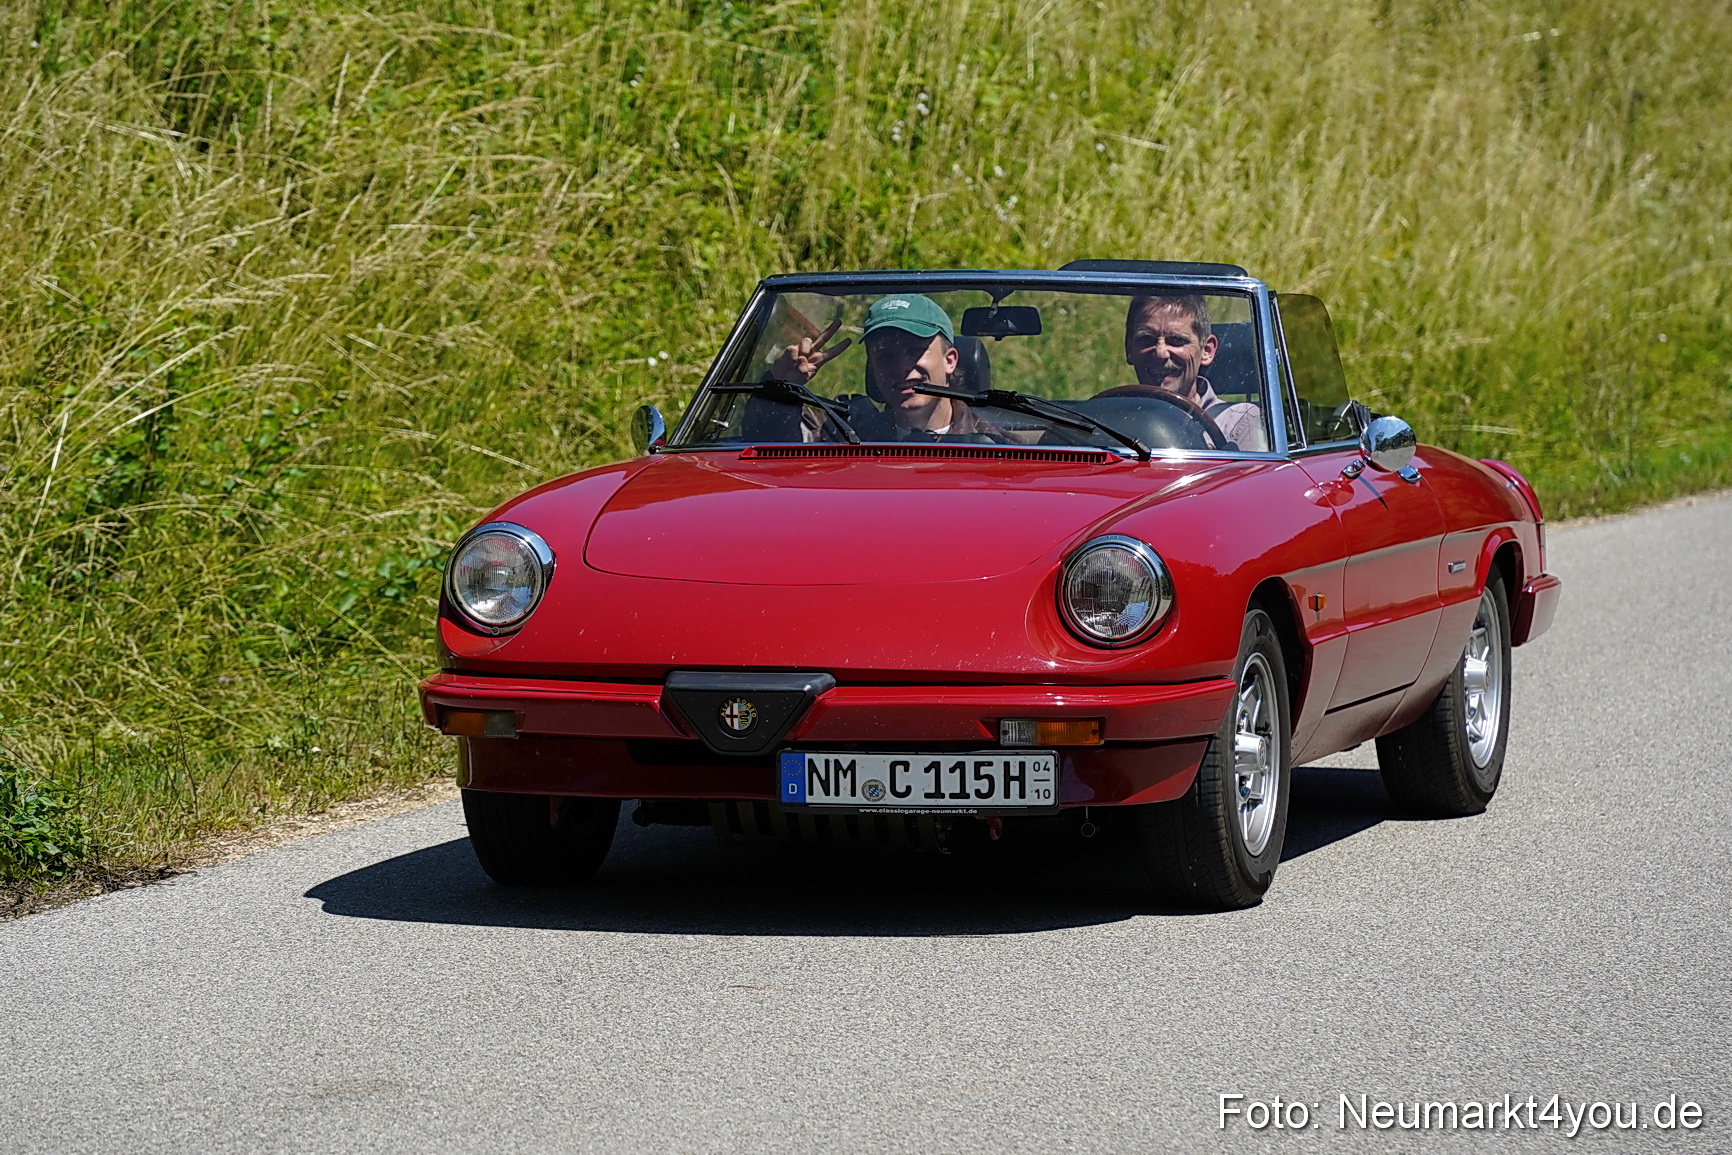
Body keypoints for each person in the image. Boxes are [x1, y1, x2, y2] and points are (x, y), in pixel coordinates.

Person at [769, 294, 1007, 442]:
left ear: (950, 360)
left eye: (915, 351)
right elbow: (770, 446)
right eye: (885, 357)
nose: (901, 367)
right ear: (871, 367)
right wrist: (779, 385)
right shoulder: (844, 435)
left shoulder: (996, 448)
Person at [1122, 294, 1266, 450]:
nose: (1161, 353)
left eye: (1176, 340)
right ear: (1129, 349)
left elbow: (1251, 473)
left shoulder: (1240, 422)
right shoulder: (1110, 420)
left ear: (1206, 350)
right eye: (1146, 339)